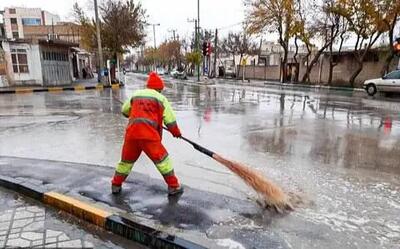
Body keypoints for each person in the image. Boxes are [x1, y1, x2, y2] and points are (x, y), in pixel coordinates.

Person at [111, 72, 183, 196]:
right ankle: (174, 186)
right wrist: (176, 133)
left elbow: (124, 111)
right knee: (163, 160)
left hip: (132, 135)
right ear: (159, 88)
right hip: (149, 136)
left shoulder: (136, 94)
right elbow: (170, 120)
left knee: (126, 162)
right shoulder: (160, 98)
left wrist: (135, 113)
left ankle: (116, 185)